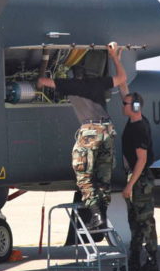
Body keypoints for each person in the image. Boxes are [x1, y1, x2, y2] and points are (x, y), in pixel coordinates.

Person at [38, 43, 126, 229]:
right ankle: (101, 215)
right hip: (108, 130)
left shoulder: (70, 85)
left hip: (90, 132)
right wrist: (114, 57)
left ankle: (96, 216)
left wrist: (44, 63)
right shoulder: (98, 83)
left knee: (84, 175)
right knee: (104, 177)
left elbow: (42, 83)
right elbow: (122, 78)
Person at [119, 91, 158, 271]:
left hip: (140, 180)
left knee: (145, 222)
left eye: (126, 104)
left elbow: (141, 160)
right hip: (136, 178)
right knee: (134, 222)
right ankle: (133, 260)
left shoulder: (139, 128)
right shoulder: (133, 121)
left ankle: (152, 261)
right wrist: (116, 63)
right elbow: (125, 90)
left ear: (135, 107)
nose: (122, 105)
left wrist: (130, 185)